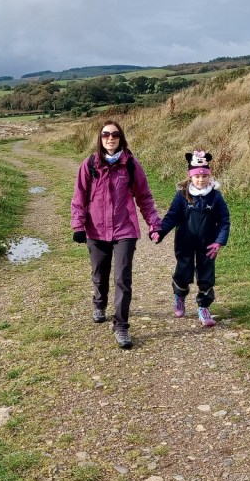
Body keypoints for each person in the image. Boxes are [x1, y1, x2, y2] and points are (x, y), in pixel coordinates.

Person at [71, 120, 162, 349]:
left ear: (121, 137)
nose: (110, 138)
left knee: (122, 279)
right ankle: (99, 303)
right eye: (105, 134)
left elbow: (145, 198)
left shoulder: (131, 164)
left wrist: (154, 225)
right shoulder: (90, 164)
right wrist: (78, 226)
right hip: (96, 230)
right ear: (100, 138)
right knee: (99, 274)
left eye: (114, 134)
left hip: (125, 229)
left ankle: (121, 326)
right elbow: (79, 197)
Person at [153, 150, 230, 327]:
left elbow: (224, 221)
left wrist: (219, 241)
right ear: (190, 176)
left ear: (209, 176)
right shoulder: (182, 195)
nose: (201, 179)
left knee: (206, 275)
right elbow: (171, 217)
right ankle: (179, 296)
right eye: (197, 176)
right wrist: (160, 232)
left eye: (204, 175)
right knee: (183, 272)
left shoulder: (216, 197)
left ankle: (204, 308)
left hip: (208, 245)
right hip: (185, 242)